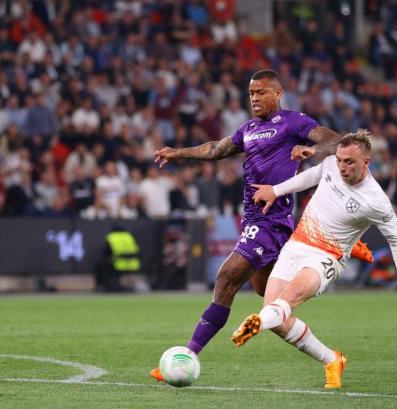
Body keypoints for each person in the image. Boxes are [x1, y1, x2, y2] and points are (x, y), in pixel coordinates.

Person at [149, 69, 371, 381]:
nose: (254, 98)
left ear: (278, 94)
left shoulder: (294, 122)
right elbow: (216, 148)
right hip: (254, 220)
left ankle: (187, 355)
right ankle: (331, 357)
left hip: (271, 221)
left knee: (226, 278)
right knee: (271, 303)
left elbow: (334, 141)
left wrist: (311, 151)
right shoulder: (248, 129)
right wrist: (179, 154)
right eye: (251, 93)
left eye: (261, 92)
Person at [230, 130, 397, 389]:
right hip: (297, 245)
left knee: (285, 302)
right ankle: (332, 359)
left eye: (349, 162)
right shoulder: (331, 164)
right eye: (340, 159)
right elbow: (311, 176)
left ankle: (258, 322)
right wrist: (276, 190)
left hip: (327, 257)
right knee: (278, 317)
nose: (342, 166)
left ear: (367, 162)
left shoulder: (376, 202)